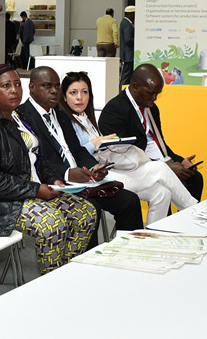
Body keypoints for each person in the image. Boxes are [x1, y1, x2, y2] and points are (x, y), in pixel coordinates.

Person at [0, 64, 97, 275]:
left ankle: (65, 273)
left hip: (25, 189)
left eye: (17, 84)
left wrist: (53, 179)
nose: (14, 90)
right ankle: (50, 282)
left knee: (86, 213)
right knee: (52, 223)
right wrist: (35, 190)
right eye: (6, 86)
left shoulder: (19, 117)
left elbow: (39, 158)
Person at [58, 72, 198, 224]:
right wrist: (96, 143)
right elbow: (74, 154)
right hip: (90, 177)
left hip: (108, 169)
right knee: (160, 168)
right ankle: (192, 212)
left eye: (84, 92)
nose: (79, 97)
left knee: (162, 193)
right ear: (64, 97)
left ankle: (153, 236)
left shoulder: (87, 119)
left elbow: (161, 143)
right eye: (73, 92)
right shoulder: (63, 121)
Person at [16, 67, 144, 231]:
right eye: (47, 86)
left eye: (57, 86)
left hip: (81, 179)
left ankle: (125, 246)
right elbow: (35, 160)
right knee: (90, 209)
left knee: (130, 201)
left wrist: (93, 167)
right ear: (32, 87)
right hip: (55, 183)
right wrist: (67, 173)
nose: (54, 91)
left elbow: (78, 150)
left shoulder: (60, 114)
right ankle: (88, 249)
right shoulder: (22, 116)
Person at [99, 64, 204, 203]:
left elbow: (160, 144)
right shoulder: (114, 111)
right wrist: (165, 168)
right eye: (151, 93)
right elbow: (125, 156)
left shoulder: (151, 108)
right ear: (135, 87)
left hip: (157, 162)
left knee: (195, 178)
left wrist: (179, 161)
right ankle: (189, 210)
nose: (155, 98)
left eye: (158, 94)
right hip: (133, 168)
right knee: (163, 186)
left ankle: (188, 215)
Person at [118, 5, 136, 87]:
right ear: (130, 14)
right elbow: (128, 39)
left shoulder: (126, 23)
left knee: (127, 77)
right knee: (125, 78)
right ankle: (122, 91)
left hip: (128, 55)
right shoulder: (126, 24)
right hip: (128, 56)